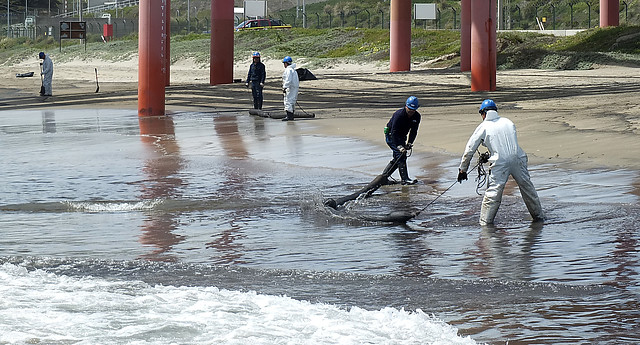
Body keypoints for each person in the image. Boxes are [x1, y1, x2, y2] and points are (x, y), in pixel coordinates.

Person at [457, 99, 544, 225]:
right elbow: (506, 143)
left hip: (500, 162)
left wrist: (462, 170)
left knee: (493, 194)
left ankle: (485, 225)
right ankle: (539, 217)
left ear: (483, 113)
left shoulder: (483, 127)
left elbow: (469, 150)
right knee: (527, 189)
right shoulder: (508, 122)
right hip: (518, 158)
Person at [382, 96, 421, 185]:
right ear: (406, 106)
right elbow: (394, 131)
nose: (411, 112)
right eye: (409, 109)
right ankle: (405, 179)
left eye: (413, 110)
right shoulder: (398, 115)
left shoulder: (417, 116)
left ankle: (384, 177)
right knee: (401, 156)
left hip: (402, 136)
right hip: (392, 136)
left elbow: (414, 131)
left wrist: (410, 143)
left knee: (398, 158)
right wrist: (399, 146)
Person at [281, 56, 299, 121]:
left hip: (290, 88)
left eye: (284, 63)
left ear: (286, 63)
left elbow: (288, 80)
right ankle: (291, 115)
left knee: (288, 101)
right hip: (294, 87)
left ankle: (289, 116)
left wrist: (285, 87)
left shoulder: (288, 70)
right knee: (292, 101)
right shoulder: (293, 70)